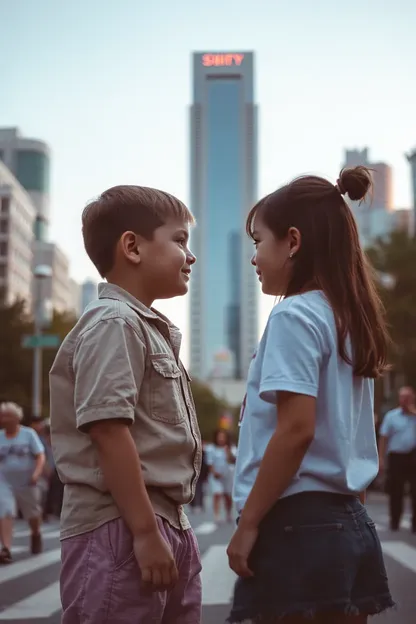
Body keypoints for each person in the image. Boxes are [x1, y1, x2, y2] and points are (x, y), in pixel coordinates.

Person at [226, 167, 395, 623]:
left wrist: (248, 525)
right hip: (349, 521)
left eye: (259, 241)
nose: (254, 256)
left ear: (293, 241)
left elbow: (296, 431)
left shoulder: (293, 317)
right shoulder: (347, 320)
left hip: (296, 525)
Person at [49, 185, 202, 624]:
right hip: (120, 526)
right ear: (132, 246)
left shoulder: (144, 327)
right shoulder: (114, 323)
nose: (189, 256)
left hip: (164, 520)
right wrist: (144, 532)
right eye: (179, 240)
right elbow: (108, 430)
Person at [0, 402, 45, 563]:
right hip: (4, 481)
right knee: (5, 511)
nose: (3, 419)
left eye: (7, 416)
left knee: (32, 513)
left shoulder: (28, 434)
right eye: (2, 416)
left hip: (27, 481)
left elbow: (40, 455)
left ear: (16, 418)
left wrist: (36, 473)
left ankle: (35, 533)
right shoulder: (0, 436)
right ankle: (6, 549)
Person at [378, 386, 416, 532]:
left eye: (407, 397)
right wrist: (381, 458)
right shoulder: (391, 416)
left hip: (413, 456)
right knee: (396, 491)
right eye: (402, 397)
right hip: (396, 457)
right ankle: (395, 521)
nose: (404, 400)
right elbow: (384, 438)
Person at [206, 429, 236, 523]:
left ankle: (228, 512)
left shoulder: (231, 448)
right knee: (217, 494)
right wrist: (214, 472)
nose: (221, 438)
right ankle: (217, 514)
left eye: (223, 437)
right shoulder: (211, 448)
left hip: (228, 475)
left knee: (228, 496)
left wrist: (228, 452)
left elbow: (233, 461)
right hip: (216, 476)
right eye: (219, 436)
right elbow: (209, 462)